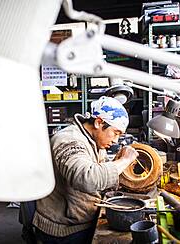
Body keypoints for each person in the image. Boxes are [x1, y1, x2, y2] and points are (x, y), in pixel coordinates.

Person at [32, 96, 139, 244]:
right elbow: (87, 178)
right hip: (64, 231)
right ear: (99, 122)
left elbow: (100, 171)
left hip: (84, 221)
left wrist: (118, 164)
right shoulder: (68, 140)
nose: (116, 140)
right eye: (116, 133)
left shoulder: (94, 140)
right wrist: (124, 160)